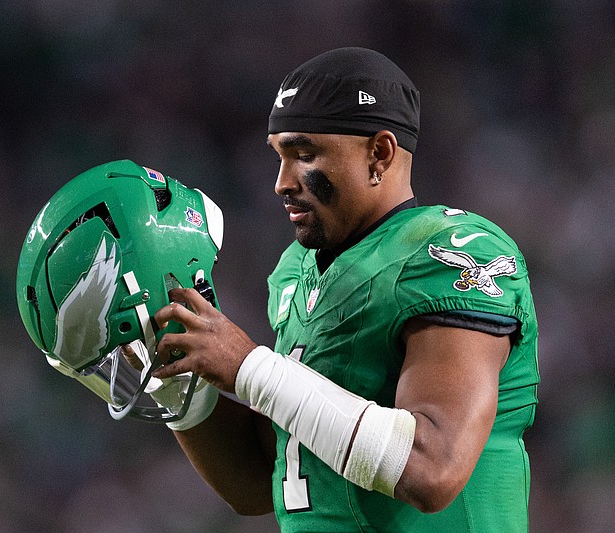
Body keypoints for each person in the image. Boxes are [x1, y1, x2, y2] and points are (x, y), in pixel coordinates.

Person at [136, 47, 539, 532]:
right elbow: (266, 477)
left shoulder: (449, 252)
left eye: (304, 155)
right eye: (279, 155)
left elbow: (433, 468)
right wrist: (170, 373)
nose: (282, 182)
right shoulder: (297, 271)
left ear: (380, 153)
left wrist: (249, 368)